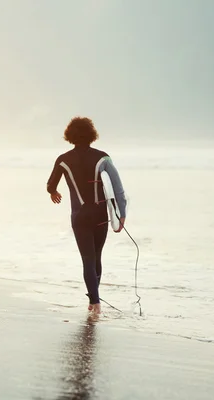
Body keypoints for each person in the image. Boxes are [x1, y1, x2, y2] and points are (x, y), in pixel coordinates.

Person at [46, 117, 127, 314]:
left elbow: (50, 185)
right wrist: (121, 213)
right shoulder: (103, 158)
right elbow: (118, 189)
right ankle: (94, 300)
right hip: (100, 215)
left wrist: (54, 194)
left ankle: (94, 303)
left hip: (79, 216)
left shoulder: (63, 159)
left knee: (87, 259)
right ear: (92, 134)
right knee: (97, 257)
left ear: (70, 135)